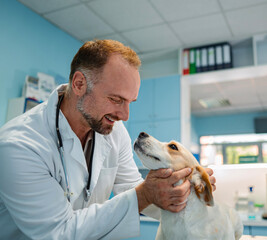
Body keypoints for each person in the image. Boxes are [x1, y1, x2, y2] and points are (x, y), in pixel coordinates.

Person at [0, 39, 215, 239]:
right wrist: (144, 195)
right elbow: (59, 231)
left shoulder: (113, 131)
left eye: (130, 102)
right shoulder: (18, 146)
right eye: (115, 99)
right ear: (78, 84)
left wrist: (184, 196)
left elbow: (132, 188)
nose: (124, 115)